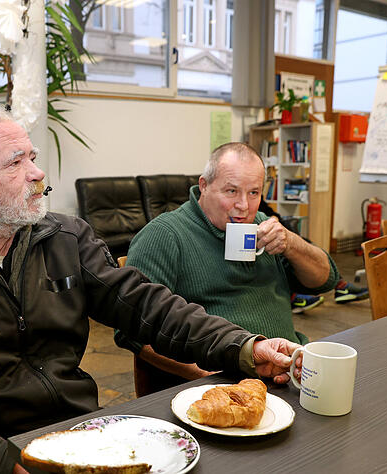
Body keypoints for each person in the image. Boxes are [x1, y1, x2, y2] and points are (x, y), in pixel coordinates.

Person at [0, 107, 304, 474]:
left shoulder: (64, 238)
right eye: (14, 163)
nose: (37, 173)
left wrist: (244, 347)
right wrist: (4, 462)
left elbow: (146, 305)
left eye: (33, 158)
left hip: (85, 431)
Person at [116, 142, 339, 392]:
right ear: (204, 186)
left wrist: (291, 243)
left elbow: (326, 280)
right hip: (219, 385)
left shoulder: (264, 226)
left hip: (288, 373)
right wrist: (210, 376)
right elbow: (132, 329)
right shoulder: (165, 235)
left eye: (254, 193)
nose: (244, 206)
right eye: (231, 191)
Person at [257, 198, 368, 310]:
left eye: (253, 192)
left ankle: (340, 286)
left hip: (268, 229)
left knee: (303, 243)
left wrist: (271, 221)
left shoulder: (257, 199)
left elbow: (273, 214)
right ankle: (293, 297)